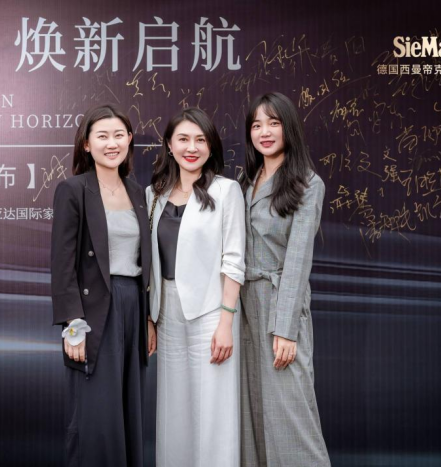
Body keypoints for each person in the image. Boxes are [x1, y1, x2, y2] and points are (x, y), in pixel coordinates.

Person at [50, 104, 156, 467]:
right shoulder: (73, 190)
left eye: (119, 135)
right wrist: (73, 326)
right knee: (96, 413)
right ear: (86, 143)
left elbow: (144, 262)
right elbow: (62, 264)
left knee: (129, 409)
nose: (112, 143)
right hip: (94, 311)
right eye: (102, 136)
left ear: (129, 139)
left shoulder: (138, 192)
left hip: (133, 307)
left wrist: (148, 318)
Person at [146, 107, 246, 467]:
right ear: (169, 145)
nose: (192, 148)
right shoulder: (153, 194)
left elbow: (234, 260)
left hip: (212, 311)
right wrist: (150, 319)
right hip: (167, 313)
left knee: (214, 409)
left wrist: (226, 322)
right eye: (184, 139)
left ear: (211, 146)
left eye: (200, 140)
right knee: (174, 409)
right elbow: (149, 263)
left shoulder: (226, 190)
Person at [238, 92, 331, 466]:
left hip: (280, 307)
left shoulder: (308, 183)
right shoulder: (246, 181)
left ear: (288, 127)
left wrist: (286, 330)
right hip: (244, 310)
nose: (264, 132)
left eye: (273, 123)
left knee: (290, 418)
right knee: (254, 418)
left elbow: (298, 261)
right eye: (257, 125)